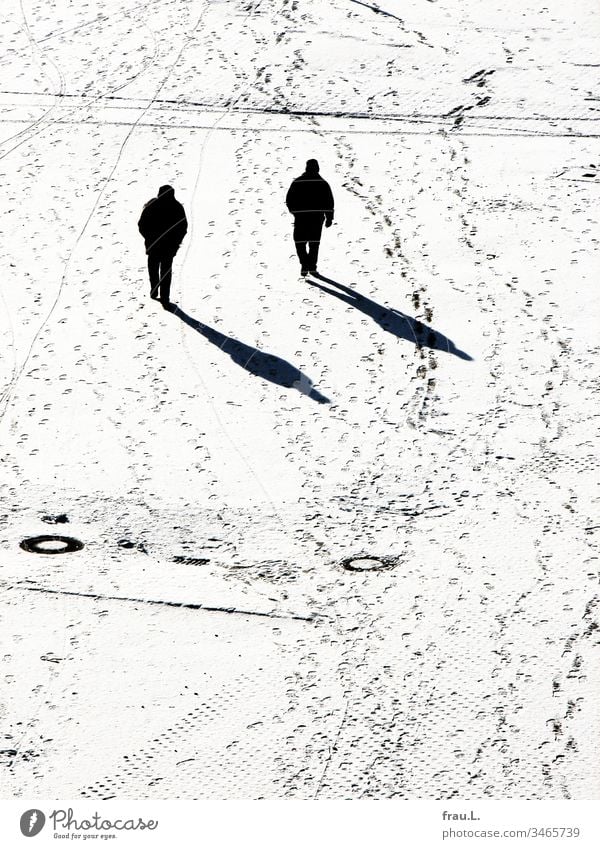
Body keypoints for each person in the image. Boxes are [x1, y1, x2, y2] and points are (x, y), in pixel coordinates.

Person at [138, 185, 188, 309]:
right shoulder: (177, 207)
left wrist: (149, 238)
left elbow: (141, 225)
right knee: (166, 271)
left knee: (153, 268)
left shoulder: (151, 205)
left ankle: (154, 290)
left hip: (154, 245)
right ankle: (165, 297)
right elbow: (183, 228)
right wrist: (176, 243)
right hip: (169, 247)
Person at [285, 159, 334, 277]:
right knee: (314, 244)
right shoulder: (323, 183)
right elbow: (329, 202)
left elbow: (289, 200)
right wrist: (329, 218)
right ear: (317, 168)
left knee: (299, 242)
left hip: (301, 218)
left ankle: (305, 263)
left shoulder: (297, 182)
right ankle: (311, 266)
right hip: (316, 219)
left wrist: (295, 212)